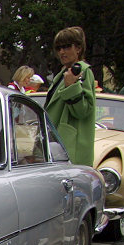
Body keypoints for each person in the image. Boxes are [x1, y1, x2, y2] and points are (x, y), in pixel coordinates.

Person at [44, 26, 95, 167]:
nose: (62, 52)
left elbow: (83, 111)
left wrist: (72, 87)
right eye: (59, 48)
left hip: (70, 149)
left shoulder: (83, 71)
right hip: (56, 145)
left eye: (67, 47)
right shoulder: (63, 74)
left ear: (78, 48)